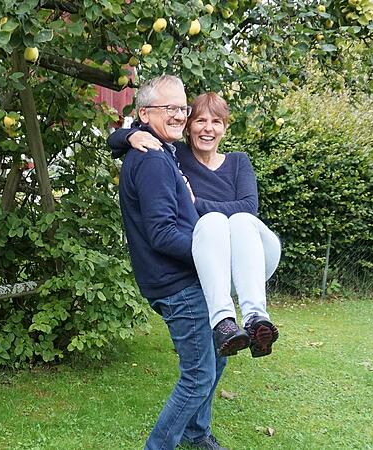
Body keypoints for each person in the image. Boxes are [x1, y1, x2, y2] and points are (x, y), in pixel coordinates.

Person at [110, 92, 281, 359]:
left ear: (225, 127)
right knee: (213, 224)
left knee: (236, 220)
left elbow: (249, 207)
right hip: (214, 265)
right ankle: (225, 323)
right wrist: (130, 135)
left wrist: (196, 202)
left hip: (251, 254)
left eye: (216, 121)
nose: (208, 128)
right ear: (188, 126)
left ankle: (256, 317)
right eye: (200, 120)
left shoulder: (238, 162)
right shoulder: (176, 155)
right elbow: (116, 141)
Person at [118, 75, 228, 450]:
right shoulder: (151, 161)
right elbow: (162, 233)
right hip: (177, 284)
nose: (181, 115)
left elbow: (118, 136)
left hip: (187, 278)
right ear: (146, 113)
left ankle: (197, 433)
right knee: (198, 376)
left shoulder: (159, 149)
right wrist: (212, 253)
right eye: (171, 108)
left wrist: (127, 133)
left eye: (182, 107)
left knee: (218, 354)